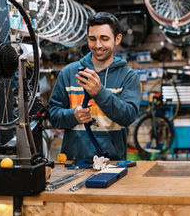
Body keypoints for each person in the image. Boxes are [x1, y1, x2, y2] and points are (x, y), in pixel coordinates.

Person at [49, 12, 141, 160]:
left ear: (117, 39)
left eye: (104, 39)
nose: (97, 45)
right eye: (92, 39)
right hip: (73, 164)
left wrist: (99, 93)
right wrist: (73, 115)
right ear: (87, 38)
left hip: (113, 164)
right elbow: (53, 116)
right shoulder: (68, 73)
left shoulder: (128, 76)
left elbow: (128, 117)